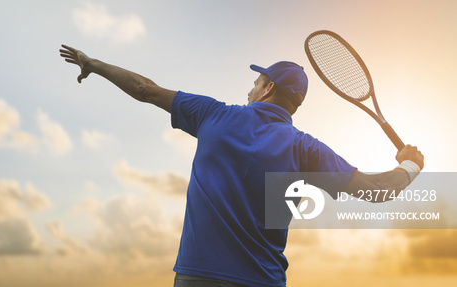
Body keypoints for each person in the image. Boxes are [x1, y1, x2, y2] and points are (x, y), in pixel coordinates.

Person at [59, 45, 424, 287]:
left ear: (267, 88)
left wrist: (96, 65)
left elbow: (144, 88)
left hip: (197, 276)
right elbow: (375, 191)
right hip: (261, 281)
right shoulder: (305, 149)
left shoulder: (213, 115)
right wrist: (410, 167)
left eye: (255, 83)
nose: (248, 90)